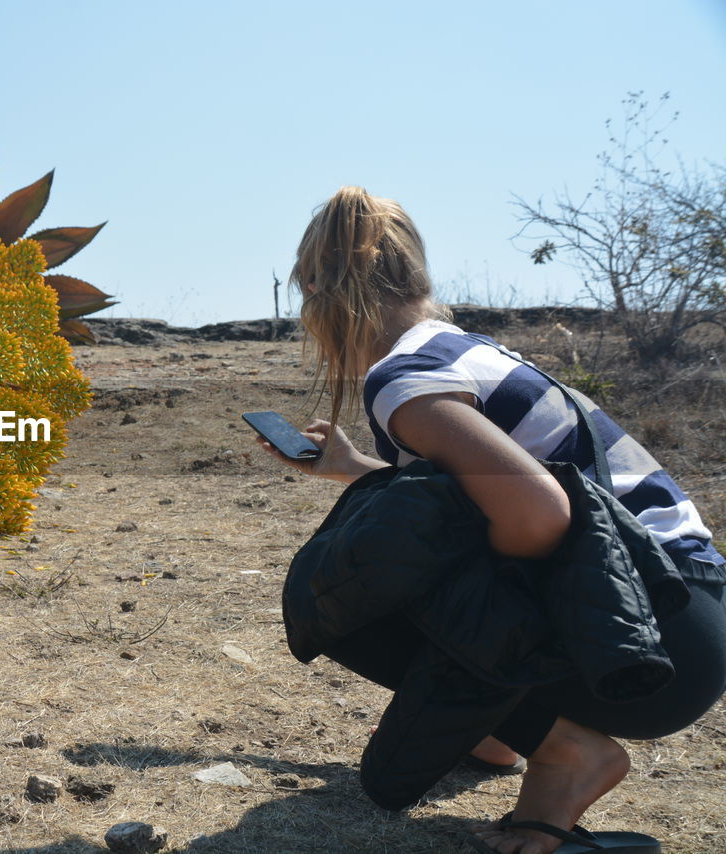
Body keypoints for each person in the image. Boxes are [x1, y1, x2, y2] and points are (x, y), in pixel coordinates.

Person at [257, 186, 726, 854]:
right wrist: (355, 467)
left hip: (650, 644)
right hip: (685, 610)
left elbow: (540, 512)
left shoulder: (402, 377)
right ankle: (499, 732)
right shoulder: (458, 351)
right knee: (408, 549)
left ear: (319, 293)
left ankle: (565, 754)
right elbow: (478, 504)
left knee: (339, 590)